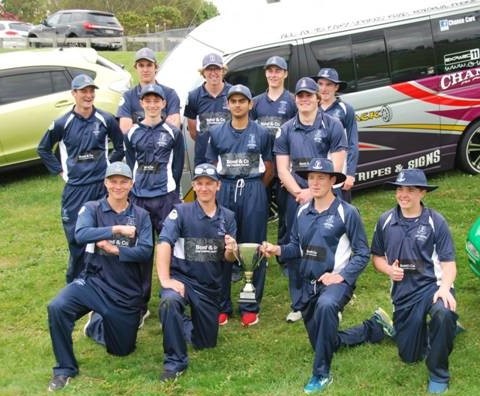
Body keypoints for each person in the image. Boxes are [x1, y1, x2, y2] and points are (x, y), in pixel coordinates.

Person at [344, 168, 458, 394]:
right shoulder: (385, 220)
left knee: (443, 311)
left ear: (422, 193)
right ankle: (418, 327)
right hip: (404, 294)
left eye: (410, 190)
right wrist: (388, 269)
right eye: (400, 189)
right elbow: (376, 257)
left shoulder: (436, 221)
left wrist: (445, 288)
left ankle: (438, 374)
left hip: (432, 287)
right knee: (410, 356)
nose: (403, 194)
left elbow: (448, 263)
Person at [261, 157, 370, 394]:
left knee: (326, 306)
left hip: (335, 285)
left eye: (321, 177)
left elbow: (363, 253)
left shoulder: (347, 212)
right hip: (307, 284)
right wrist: (277, 249)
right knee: (325, 341)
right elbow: (295, 247)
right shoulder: (301, 211)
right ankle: (372, 328)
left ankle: (321, 374)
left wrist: (341, 276)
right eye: (311, 178)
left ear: (332, 180)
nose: (316, 182)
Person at [46, 161, 153, 391]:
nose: (117, 186)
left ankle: (95, 324)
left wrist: (117, 250)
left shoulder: (142, 215)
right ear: (105, 183)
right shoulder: (92, 208)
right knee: (57, 307)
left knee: (122, 351)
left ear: (131, 185)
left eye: (123, 182)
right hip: (93, 283)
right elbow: (81, 234)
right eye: (113, 181)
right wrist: (116, 229)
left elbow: (146, 250)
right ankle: (65, 368)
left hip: (125, 291)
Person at [37, 74, 124, 283]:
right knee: (77, 238)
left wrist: (108, 167)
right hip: (76, 188)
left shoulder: (106, 119)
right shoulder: (62, 122)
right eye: (83, 91)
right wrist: (60, 171)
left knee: (106, 235)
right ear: (74, 94)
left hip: (101, 187)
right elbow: (43, 149)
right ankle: (76, 283)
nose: (88, 95)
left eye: (91, 91)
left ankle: (107, 279)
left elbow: (120, 146)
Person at [274, 76, 347, 323]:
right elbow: (283, 169)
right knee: (296, 248)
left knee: (326, 246)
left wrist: (315, 193)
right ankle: (299, 303)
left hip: (326, 197)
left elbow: (337, 166)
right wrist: (299, 193)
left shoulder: (333, 125)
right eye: (300, 96)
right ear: (295, 100)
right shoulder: (285, 130)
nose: (304, 100)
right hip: (295, 199)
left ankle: (330, 297)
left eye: (309, 95)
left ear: (318, 97)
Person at [156, 163, 237, 381]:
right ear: (193, 186)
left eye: (209, 183)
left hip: (208, 286)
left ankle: (174, 321)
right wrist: (165, 280)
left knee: (206, 343)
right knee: (170, 301)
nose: (204, 188)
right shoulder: (180, 212)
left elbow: (228, 259)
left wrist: (231, 250)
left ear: (218, 186)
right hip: (181, 279)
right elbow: (164, 243)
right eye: (199, 183)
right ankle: (175, 362)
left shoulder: (228, 217)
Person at [206, 84, 273, 327]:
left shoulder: (262, 133)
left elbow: (269, 165)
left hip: (254, 190)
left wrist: (256, 188)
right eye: (232, 100)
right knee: (223, 246)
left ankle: (249, 305)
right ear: (227, 104)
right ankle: (222, 304)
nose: (237, 104)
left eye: (241, 101)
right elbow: (212, 164)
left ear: (250, 104)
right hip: (225, 190)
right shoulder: (216, 133)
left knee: (254, 247)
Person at [124, 83, 185, 325]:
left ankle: (175, 299)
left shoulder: (173, 132)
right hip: (139, 200)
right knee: (141, 252)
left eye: (156, 101)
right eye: (147, 101)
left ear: (163, 104)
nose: (152, 104)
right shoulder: (132, 133)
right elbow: (130, 165)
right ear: (141, 103)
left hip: (166, 197)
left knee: (173, 247)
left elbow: (178, 166)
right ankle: (140, 305)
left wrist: (170, 190)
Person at [251, 55, 297, 261]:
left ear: (285, 73)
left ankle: (284, 254)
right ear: (265, 74)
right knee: (259, 213)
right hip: (263, 168)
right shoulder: (256, 102)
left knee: (287, 213)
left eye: (278, 70)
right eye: (270, 70)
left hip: (286, 168)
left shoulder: (293, 101)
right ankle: (258, 253)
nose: (273, 74)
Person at [313, 67, 358, 203]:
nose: (324, 88)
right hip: (315, 173)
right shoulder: (310, 108)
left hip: (339, 173)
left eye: (329, 84)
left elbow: (352, 142)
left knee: (341, 215)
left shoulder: (345, 109)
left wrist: (350, 173)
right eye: (320, 84)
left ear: (336, 87)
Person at [184, 52, 232, 166]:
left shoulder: (234, 93)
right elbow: (193, 132)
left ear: (223, 71)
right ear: (203, 72)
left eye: (217, 69)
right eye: (209, 69)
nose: (213, 73)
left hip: (230, 156)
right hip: (203, 157)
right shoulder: (193, 96)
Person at [117, 47, 181, 132]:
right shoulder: (128, 96)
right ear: (136, 68)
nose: (145, 70)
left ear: (156, 67)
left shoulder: (170, 94)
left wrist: (138, 127)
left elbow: (174, 127)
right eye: (141, 65)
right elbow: (125, 130)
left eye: (149, 65)